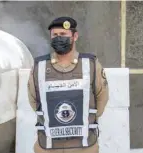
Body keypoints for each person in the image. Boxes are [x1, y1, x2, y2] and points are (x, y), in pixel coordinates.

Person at [27, 16, 109, 153]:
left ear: (75, 36)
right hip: (48, 148)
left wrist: (85, 119)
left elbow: (102, 98)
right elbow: (34, 100)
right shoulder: (39, 66)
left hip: (85, 147)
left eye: (63, 34)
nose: (59, 38)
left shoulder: (91, 64)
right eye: (55, 35)